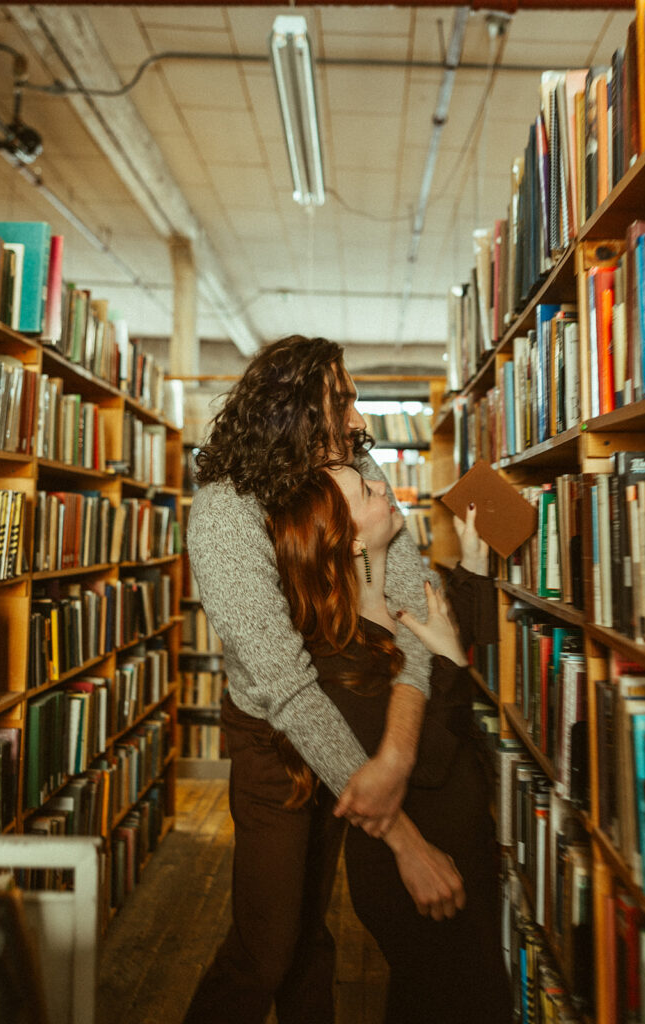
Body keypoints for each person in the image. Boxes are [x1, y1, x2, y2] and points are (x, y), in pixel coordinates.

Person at [184, 336, 462, 1024]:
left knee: (310, 930)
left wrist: (394, 756)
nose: (360, 420)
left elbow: (416, 613)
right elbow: (284, 686)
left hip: (349, 712)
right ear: (294, 413)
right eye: (341, 402)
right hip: (271, 739)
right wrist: (402, 837)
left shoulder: (356, 464)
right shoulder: (224, 512)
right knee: (266, 947)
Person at [268, 466, 513, 1024]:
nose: (384, 486)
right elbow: (427, 754)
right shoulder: (337, 653)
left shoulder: (402, 596)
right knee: (454, 1001)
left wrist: (472, 568)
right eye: (367, 491)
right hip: (419, 859)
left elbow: (448, 637)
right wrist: (448, 659)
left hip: (461, 837)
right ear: (347, 537)